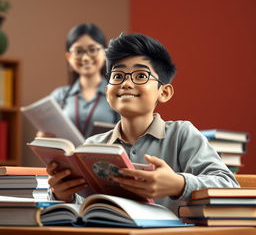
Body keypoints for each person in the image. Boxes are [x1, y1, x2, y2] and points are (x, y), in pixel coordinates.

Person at [47, 33, 239, 214]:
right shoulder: (91, 146)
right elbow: (84, 208)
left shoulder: (182, 134)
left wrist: (179, 184)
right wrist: (62, 195)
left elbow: (228, 184)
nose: (126, 84)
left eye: (140, 76)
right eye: (118, 76)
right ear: (107, 91)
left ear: (164, 92)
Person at [37, 23, 119, 139]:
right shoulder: (59, 96)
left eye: (92, 49)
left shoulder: (117, 94)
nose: (85, 58)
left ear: (105, 53)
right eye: (78, 51)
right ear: (69, 57)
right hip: (64, 157)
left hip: (102, 157)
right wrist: (43, 139)